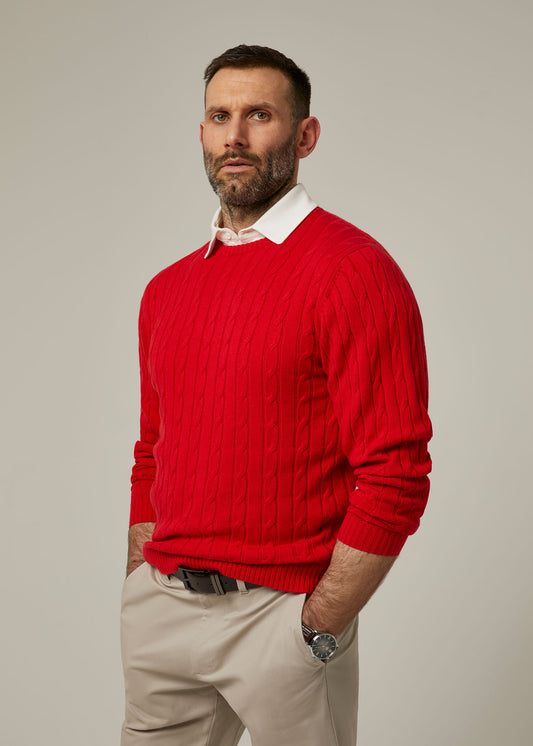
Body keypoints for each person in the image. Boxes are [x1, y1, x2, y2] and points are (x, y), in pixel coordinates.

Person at [120, 44, 432, 746]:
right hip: (162, 613)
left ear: (305, 135)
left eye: (259, 115)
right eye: (218, 116)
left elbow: (396, 471)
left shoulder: (352, 270)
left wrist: (319, 627)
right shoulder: (166, 290)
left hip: (282, 617)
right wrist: (140, 582)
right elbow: (152, 451)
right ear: (201, 132)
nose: (234, 136)